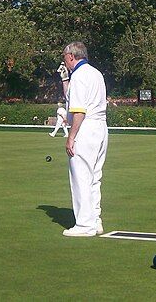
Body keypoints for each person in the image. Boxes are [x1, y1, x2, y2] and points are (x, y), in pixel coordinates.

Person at [60, 42, 108, 237]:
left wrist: (71, 137)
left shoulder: (79, 76)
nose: (64, 61)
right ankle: (95, 220)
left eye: (65, 58)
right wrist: (64, 79)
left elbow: (78, 110)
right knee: (94, 177)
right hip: (101, 127)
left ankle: (84, 225)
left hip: (86, 128)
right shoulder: (96, 73)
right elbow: (72, 97)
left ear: (71, 56)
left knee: (81, 176)